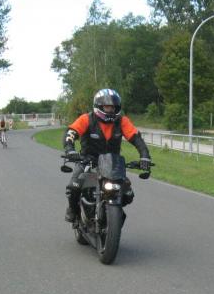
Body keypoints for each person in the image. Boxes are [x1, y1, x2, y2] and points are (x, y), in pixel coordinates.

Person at [63, 88, 151, 222]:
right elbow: (71, 133)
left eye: (113, 107)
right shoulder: (86, 119)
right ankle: (72, 210)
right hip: (87, 161)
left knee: (128, 194)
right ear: (99, 106)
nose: (111, 110)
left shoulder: (122, 121)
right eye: (107, 107)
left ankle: (114, 214)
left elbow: (136, 138)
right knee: (73, 188)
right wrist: (70, 150)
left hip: (113, 164)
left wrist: (145, 156)